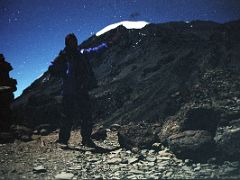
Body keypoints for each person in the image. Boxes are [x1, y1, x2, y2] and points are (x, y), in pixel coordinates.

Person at [49, 33, 115, 147]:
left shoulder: (81, 53)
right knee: (68, 116)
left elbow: (95, 50)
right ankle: (63, 140)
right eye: (70, 41)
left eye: (73, 41)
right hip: (69, 90)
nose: (72, 43)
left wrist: (107, 44)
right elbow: (52, 68)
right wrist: (63, 73)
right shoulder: (63, 57)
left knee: (86, 115)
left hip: (81, 89)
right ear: (67, 43)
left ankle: (86, 139)